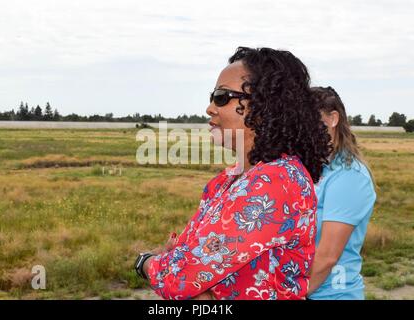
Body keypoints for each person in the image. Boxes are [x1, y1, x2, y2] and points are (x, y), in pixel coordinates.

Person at [134, 47, 331, 300]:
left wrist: (145, 261)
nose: (209, 108)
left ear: (264, 106)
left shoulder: (277, 181)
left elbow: (177, 278)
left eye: (221, 97)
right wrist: (177, 269)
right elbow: (183, 262)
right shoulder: (224, 182)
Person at [307, 86, 377, 300]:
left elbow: (327, 256)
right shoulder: (314, 168)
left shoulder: (349, 176)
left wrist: (285, 296)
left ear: (333, 119)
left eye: (308, 119)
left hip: (332, 294)